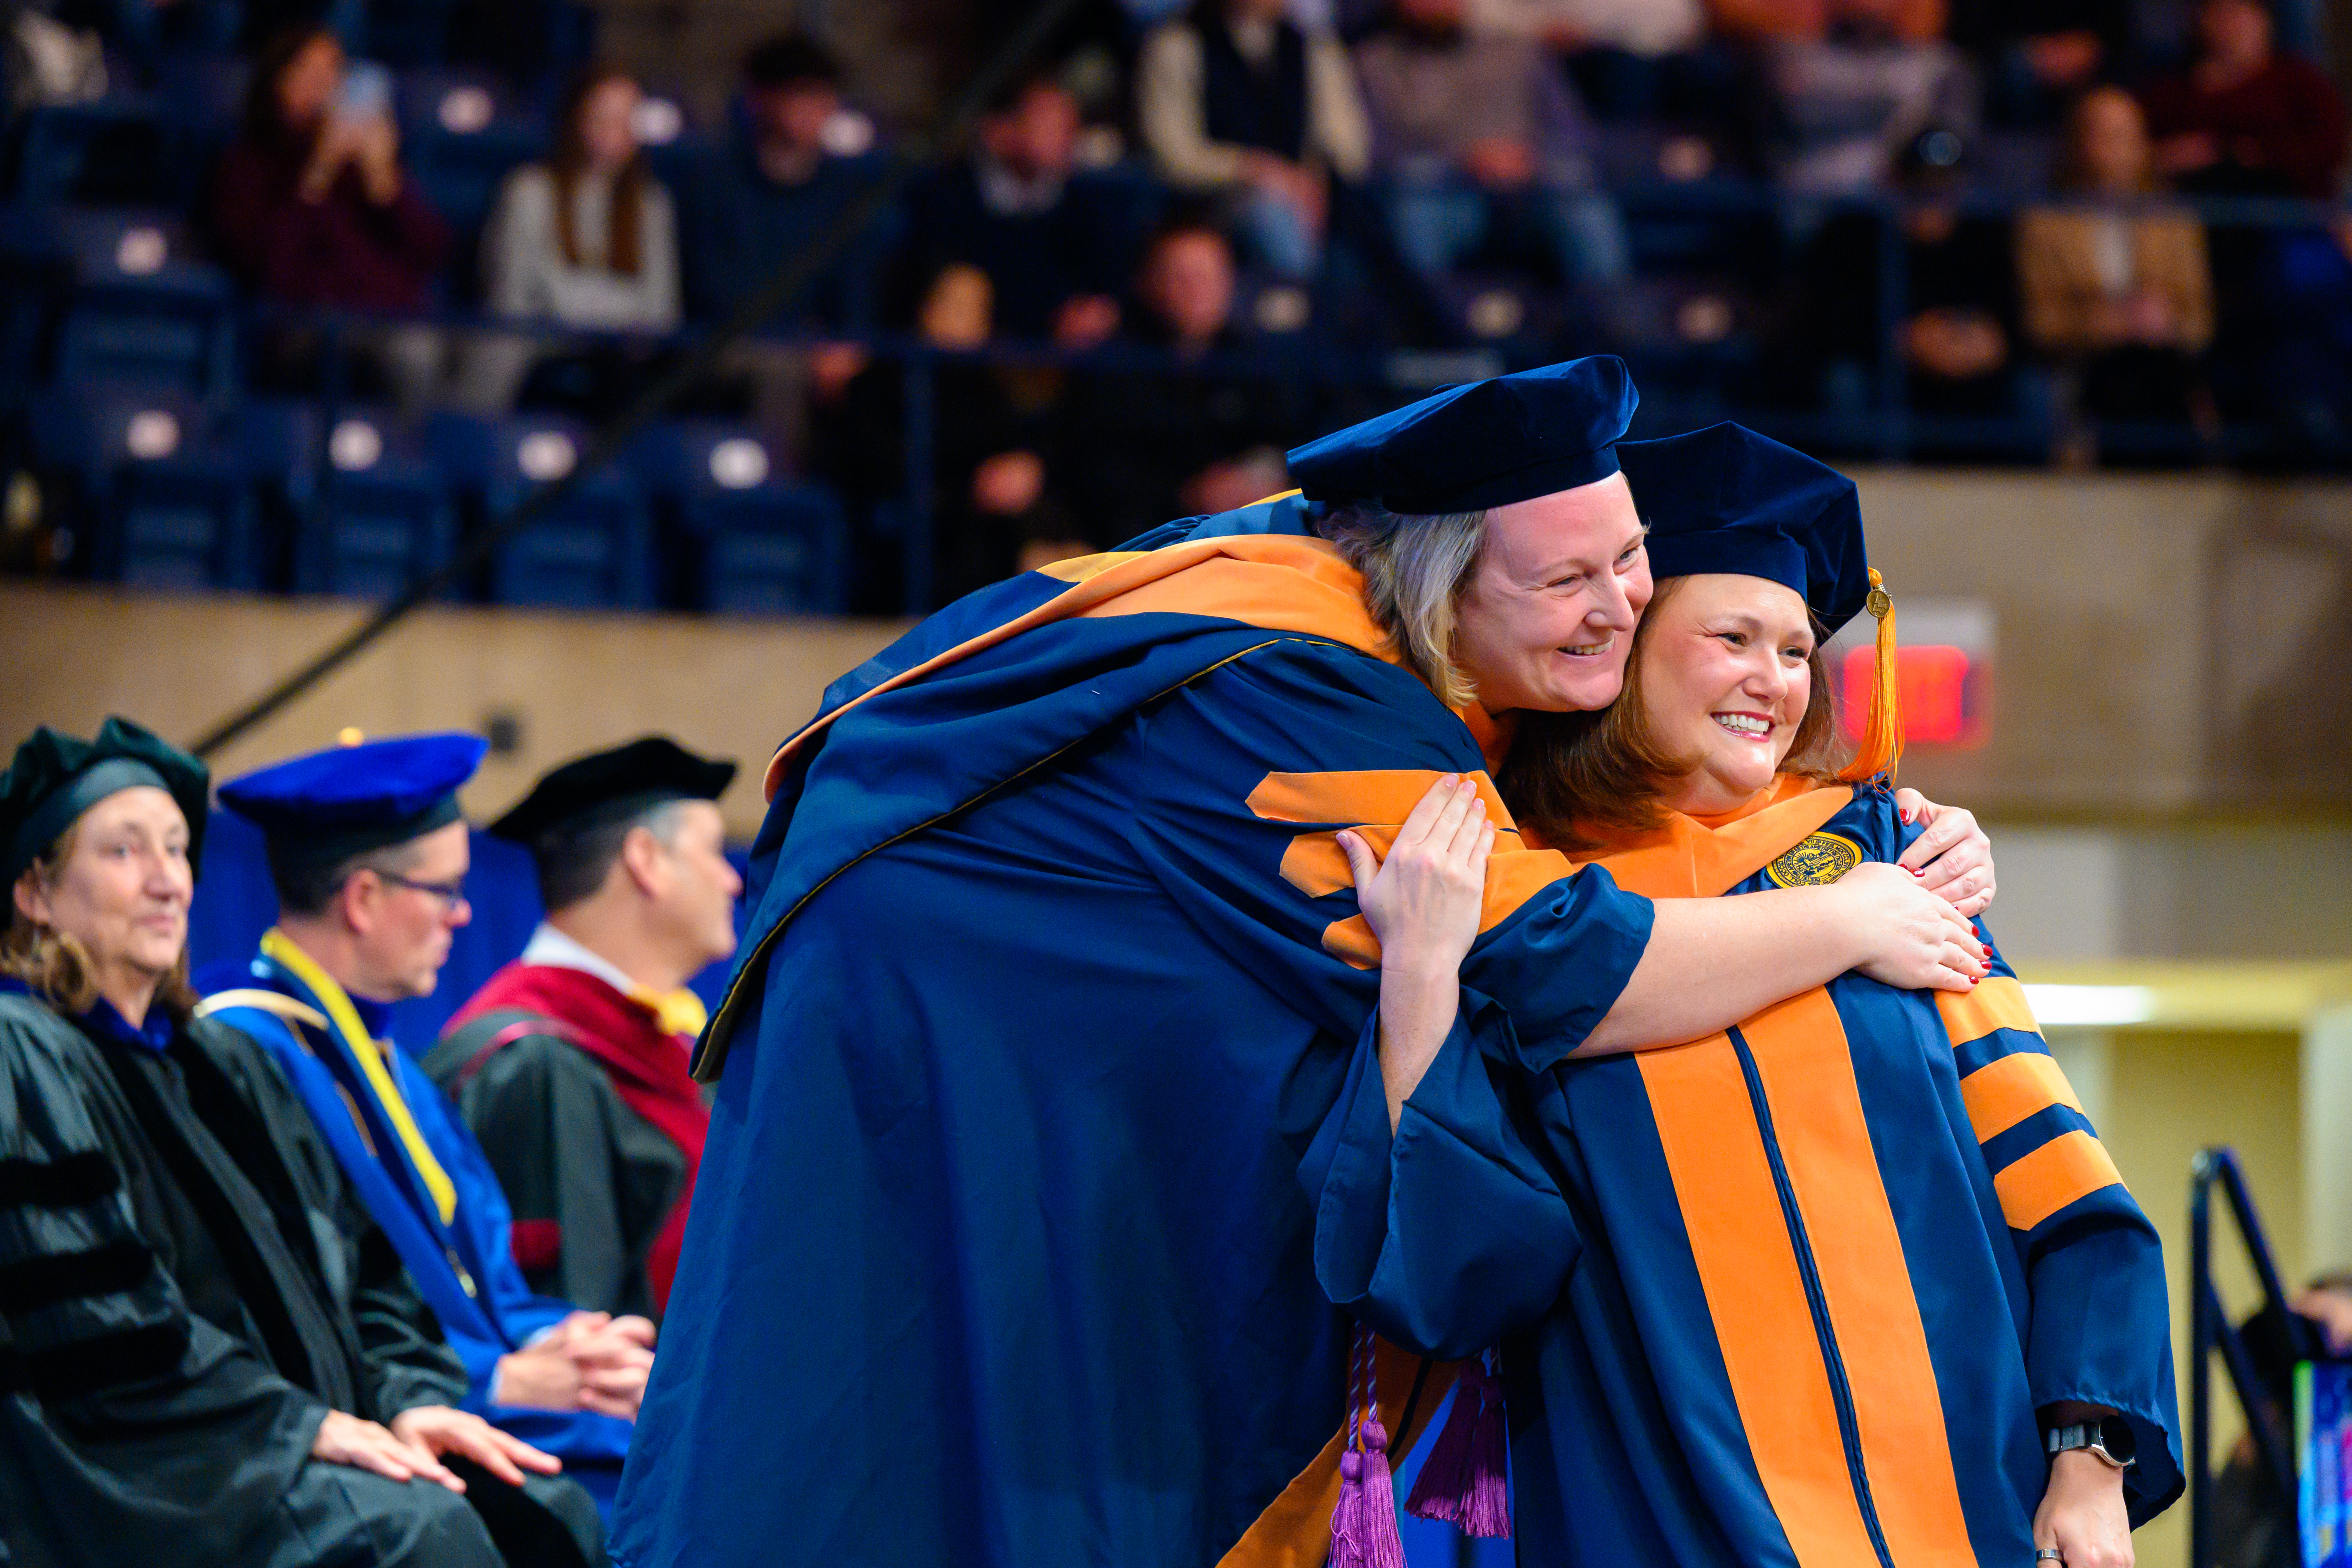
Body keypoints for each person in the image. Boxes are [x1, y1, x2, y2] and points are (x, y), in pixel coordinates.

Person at [608, 355, 2003, 1568]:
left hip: (1040, 1075)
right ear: (1447, 573)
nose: (1622, 605)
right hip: (960, 1096)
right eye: (1569, 578)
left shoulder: (1355, 600)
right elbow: (1547, 962)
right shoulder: (1296, 676)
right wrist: (1849, 913)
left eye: (1632, 557)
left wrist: (1868, 829)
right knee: (939, 1470)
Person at [1310, 422, 2180, 1568]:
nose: (1774, 681)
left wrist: (2087, 1461)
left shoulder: (1892, 860)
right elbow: (1463, 1276)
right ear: (1628, 647)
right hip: (1664, 1523)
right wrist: (1422, 979)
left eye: (1794, 650)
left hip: (1965, 1516)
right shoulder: (1525, 904)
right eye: (1733, 638)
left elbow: (2062, 1190)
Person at [0, 717, 599, 1567]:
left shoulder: (221, 1062)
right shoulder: (24, 1052)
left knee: (542, 1509)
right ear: (34, 889)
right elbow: (103, 1327)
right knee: (422, 1538)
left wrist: (399, 1398)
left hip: (270, 1435)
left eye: (177, 848)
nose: (170, 880)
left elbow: (354, 1268)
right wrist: (307, 1425)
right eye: (126, 852)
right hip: (147, 1471)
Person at [201, 732, 652, 1517]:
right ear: (365, 897)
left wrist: (563, 1342)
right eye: (444, 889)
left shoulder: (381, 1059)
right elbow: (301, 1302)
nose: (463, 912)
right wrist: (496, 1378)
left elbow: (477, 1271)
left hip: (460, 1384)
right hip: (387, 1421)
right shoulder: (245, 1056)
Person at [427, 738, 739, 1322]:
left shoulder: (668, 1044)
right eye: (714, 852)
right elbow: (572, 1325)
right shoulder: (529, 1060)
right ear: (646, 859)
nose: (732, 880)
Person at [210, 24, 453, 408]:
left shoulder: (367, 168)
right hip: (302, 322)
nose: (325, 89)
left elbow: (433, 253)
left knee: (421, 349)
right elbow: (272, 268)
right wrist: (317, 174)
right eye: (311, 75)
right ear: (278, 82)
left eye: (333, 76)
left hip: (386, 318)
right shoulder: (250, 165)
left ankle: (411, 461)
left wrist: (386, 184)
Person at [1063, 216, 1308, 545]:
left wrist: (1260, 477)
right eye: (1179, 277)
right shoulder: (1114, 367)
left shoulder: (1256, 362)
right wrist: (1188, 493)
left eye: (1207, 276)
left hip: (1251, 539)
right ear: (1148, 283)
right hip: (1146, 546)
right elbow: (1097, 474)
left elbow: (1288, 437)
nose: (1195, 290)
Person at [1353, 0, 1630, 288]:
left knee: (1583, 204)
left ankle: (1619, 323)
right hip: (1448, 198)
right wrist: (1463, 162)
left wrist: (1530, 159)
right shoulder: (1375, 63)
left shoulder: (1518, 50)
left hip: (1534, 192)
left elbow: (1577, 136)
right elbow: (1378, 157)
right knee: (1416, 212)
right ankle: (1423, 329)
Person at [467, 64, 682, 413]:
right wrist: (612, 314)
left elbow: (660, 310)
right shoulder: (528, 190)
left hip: (620, 358)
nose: (616, 132)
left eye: (627, 119)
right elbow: (514, 297)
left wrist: (605, 325)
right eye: (603, 117)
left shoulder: (651, 203)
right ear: (575, 120)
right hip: (534, 353)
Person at [2016, 86, 2214, 444]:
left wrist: (2165, 319)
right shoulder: (2044, 220)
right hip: (2083, 364)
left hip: (2160, 362)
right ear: (2076, 142)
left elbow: (2199, 318)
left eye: (2120, 135)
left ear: (2142, 143)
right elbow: (2037, 321)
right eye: (2097, 133)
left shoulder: (2173, 218)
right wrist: (2107, 323)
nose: (2108, 147)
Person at [1134, 0, 1373, 281]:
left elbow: (1349, 146)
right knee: (1272, 218)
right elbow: (1173, 156)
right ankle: (1296, 309)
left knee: (1374, 220)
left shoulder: (1312, 46)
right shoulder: (1178, 44)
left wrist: (1314, 179)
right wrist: (1257, 170)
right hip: (1211, 199)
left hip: (1310, 193)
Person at [897, 69, 1135, 346]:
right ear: (998, 129)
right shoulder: (946, 197)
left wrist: (1094, 312)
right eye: (1048, 121)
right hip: (973, 360)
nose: (1067, 132)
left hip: (1060, 360)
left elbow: (1106, 286)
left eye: (1069, 120)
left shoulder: (1088, 203)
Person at [1760, 0, 1977, 194]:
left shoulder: (1938, 67)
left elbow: (1948, 148)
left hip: (1890, 213)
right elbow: (1795, 120)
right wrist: (1889, 110)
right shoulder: (1794, 56)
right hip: (1804, 211)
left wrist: (1924, 168)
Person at [2138, 0, 2347, 201]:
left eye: (2238, 12)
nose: (2230, 25)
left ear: (2264, 20)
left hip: (2287, 213)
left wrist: (2250, 154)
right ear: (2202, 21)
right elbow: (2132, 151)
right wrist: (2167, 156)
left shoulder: (2300, 82)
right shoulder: (2172, 92)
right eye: (2219, 12)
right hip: (2190, 211)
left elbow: (2330, 147)